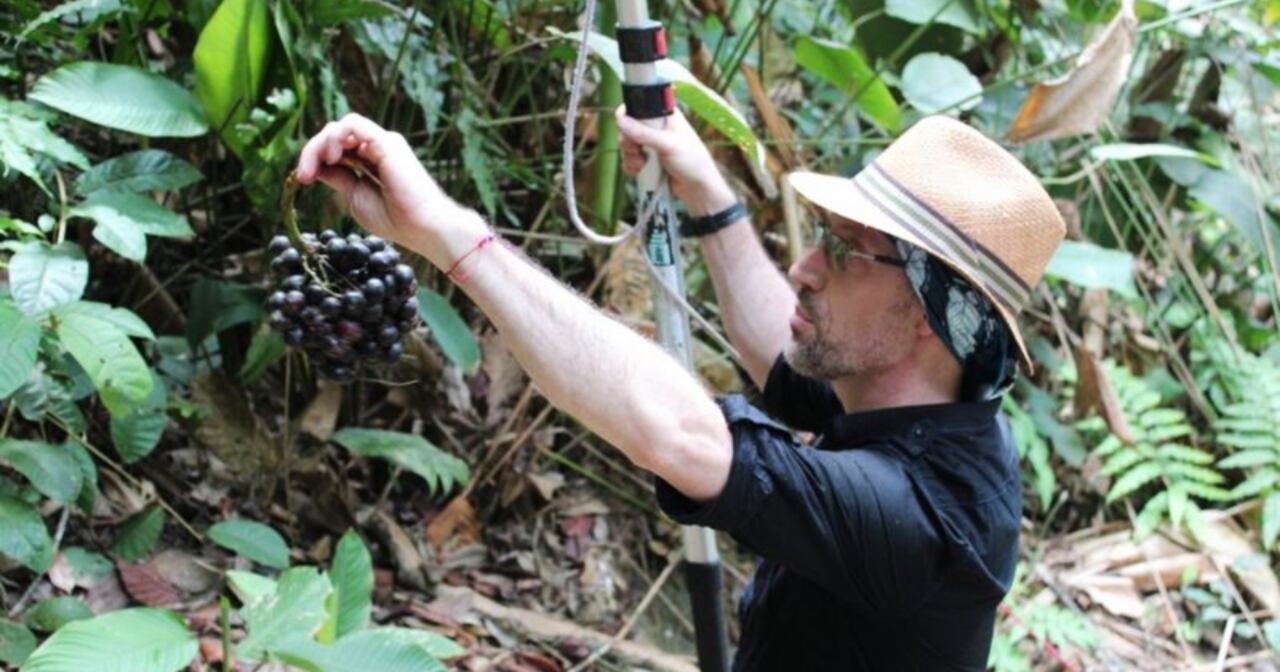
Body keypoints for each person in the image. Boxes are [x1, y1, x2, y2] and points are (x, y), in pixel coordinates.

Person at [294, 107, 1064, 670]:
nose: (806, 266)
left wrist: (446, 234)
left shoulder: (927, 522)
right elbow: (786, 350)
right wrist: (710, 197)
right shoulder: (925, 399)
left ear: (934, 313)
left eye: (845, 249)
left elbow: (684, 438)